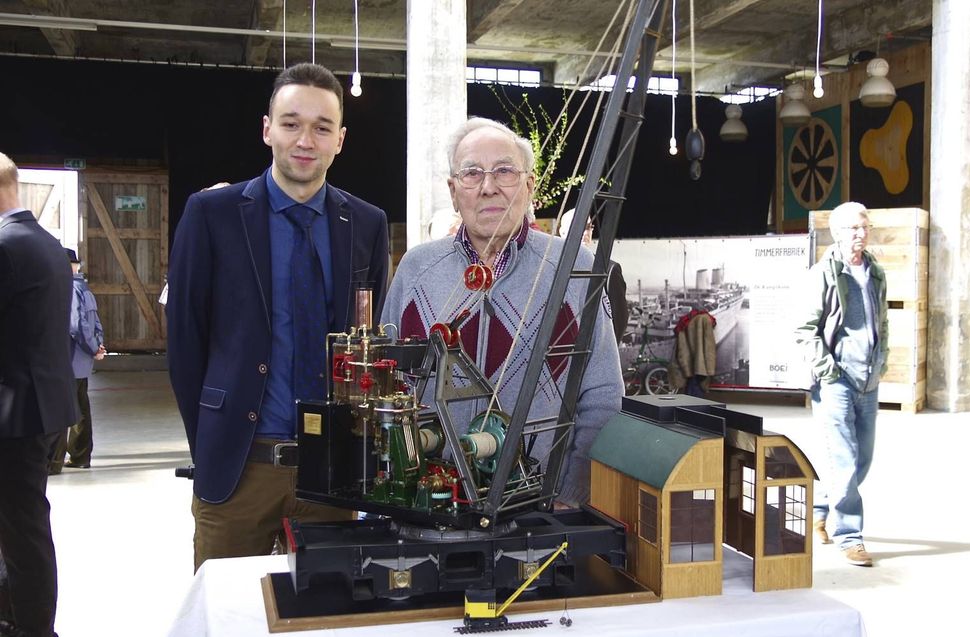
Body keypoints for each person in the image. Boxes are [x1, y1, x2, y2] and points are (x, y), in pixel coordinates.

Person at [166, 63, 389, 570]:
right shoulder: (211, 214)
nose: (305, 139)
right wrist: (210, 445)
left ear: (340, 140)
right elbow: (184, 342)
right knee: (226, 616)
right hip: (240, 467)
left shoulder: (367, 224)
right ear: (267, 129)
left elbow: (367, 339)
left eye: (322, 127)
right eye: (291, 123)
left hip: (332, 472)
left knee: (328, 614)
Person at [380, 117, 624, 507]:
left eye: (505, 171)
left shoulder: (575, 268)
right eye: (472, 173)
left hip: (540, 505)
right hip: (431, 501)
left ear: (528, 186)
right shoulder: (416, 270)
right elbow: (386, 383)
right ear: (454, 190)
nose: (488, 186)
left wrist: (573, 493)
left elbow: (603, 395)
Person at [0, 151, 78, 637]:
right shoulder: (45, 242)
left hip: (14, 412)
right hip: (43, 405)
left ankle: (31, 628)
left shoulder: (6, 245)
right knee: (20, 527)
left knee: (23, 532)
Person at [794, 201, 888, 567]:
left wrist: (882, 360)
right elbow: (805, 329)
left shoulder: (875, 271)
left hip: (869, 379)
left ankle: (818, 507)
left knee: (862, 458)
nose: (860, 234)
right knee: (845, 460)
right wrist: (828, 370)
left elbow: (882, 319)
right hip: (836, 381)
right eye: (852, 228)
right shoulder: (824, 273)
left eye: (864, 227)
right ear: (836, 232)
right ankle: (850, 536)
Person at [49, 249, 106, 474]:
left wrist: (93, 348)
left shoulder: (69, 290)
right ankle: (81, 456)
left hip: (69, 358)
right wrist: (97, 346)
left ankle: (53, 461)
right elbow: (96, 324)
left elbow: (75, 326)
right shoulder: (85, 289)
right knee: (81, 410)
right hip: (82, 361)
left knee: (61, 410)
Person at [557, 208, 628, 344]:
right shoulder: (553, 268)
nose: (584, 232)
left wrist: (602, 354)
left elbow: (619, 320)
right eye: (578, 225)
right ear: (563, 232)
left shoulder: (609, 270)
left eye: (588, 227)